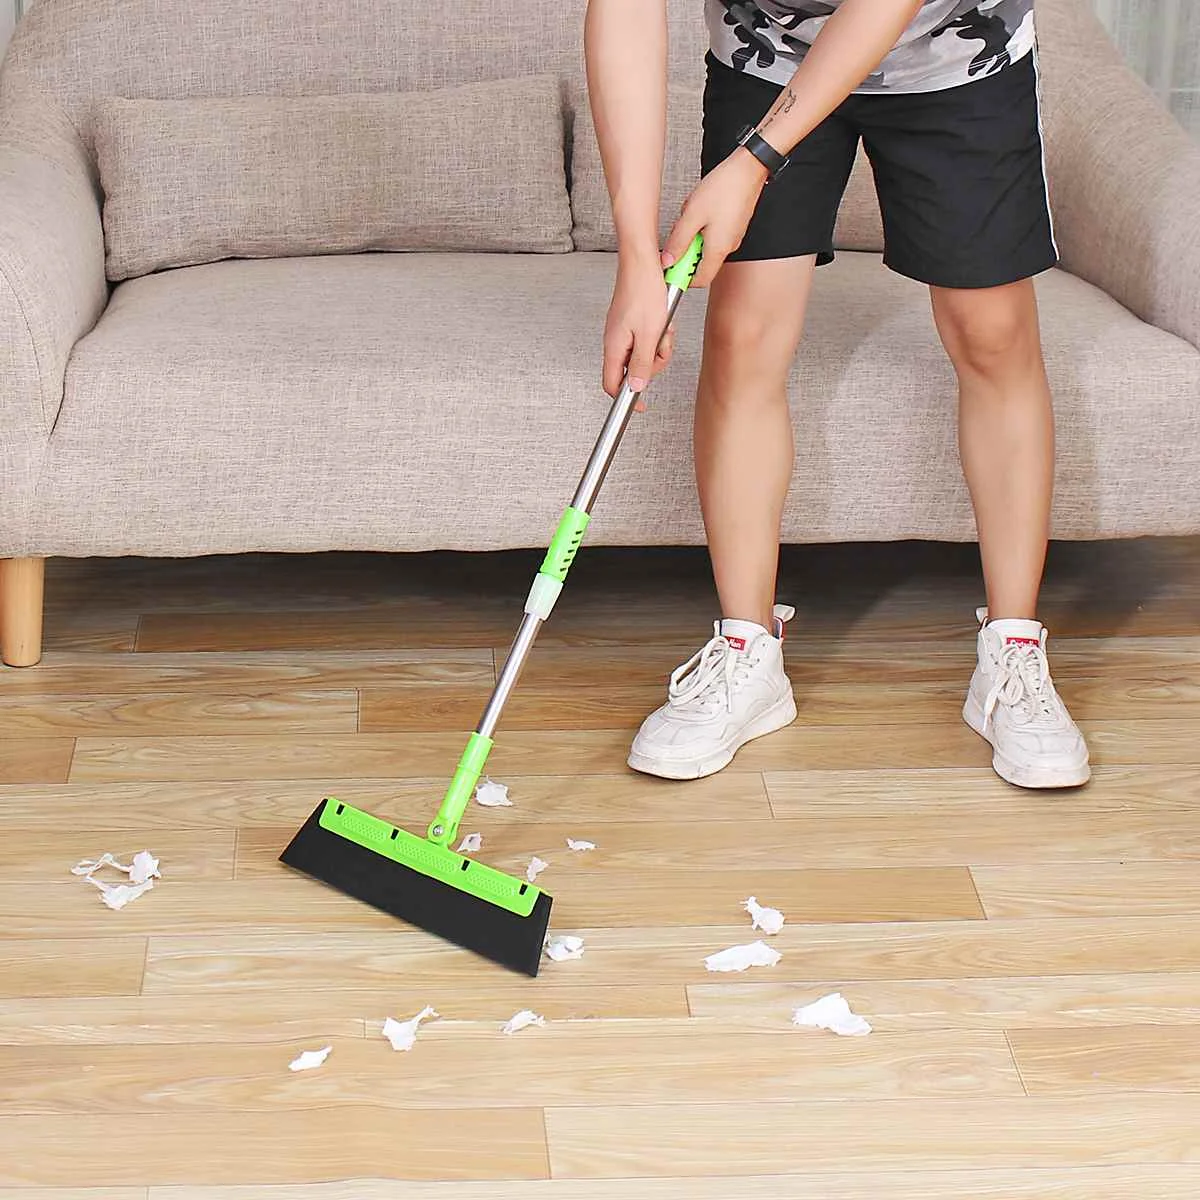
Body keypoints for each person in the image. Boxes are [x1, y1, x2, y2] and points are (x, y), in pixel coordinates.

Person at [583, 0, 1090, 789]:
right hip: (769, 51)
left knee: (991, 333)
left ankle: (1014, 649)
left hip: (952, 52)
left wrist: (752, 162)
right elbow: (625, 15)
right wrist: (636, 263)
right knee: (743, 335)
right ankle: (747, 650)